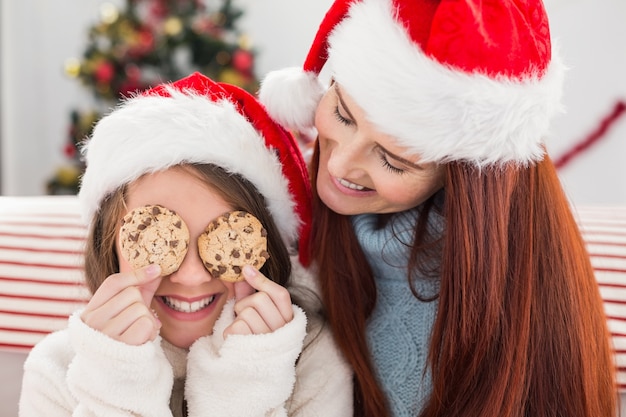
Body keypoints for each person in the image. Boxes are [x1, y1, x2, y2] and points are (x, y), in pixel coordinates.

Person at [258, 1, 618, 416]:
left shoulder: (505, 307)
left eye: (394, 159)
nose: (338, 165)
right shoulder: (280, 196)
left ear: (461, 180)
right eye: (342, 112)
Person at [19, 72, 352, 417]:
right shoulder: (57, 371)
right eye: (155, 239)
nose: (191, 276)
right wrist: (117, 387)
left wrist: (244, 387)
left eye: (225, 236)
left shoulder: (313, 360)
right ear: (111, 244)